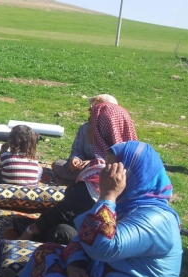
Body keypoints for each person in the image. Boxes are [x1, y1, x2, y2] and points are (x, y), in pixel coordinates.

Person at [8, 142, 182, 277]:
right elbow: (82, 239)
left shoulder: (157, 219)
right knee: (48, 250)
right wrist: (75, 264)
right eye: (105, 168)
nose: (104, 175)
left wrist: (108, 196)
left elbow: (102, 247)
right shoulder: (126, 204)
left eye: (112, 169)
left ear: (132, 173)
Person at [18, 102, 137, 244]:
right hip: (121, 236)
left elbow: (65, 211)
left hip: (106, 240)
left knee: (60, 232)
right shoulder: (134, 162)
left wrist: (29, 231)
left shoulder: (105, 174)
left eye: (91, 124)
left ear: (100, 132)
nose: (88, 128)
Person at [52, 94, 119, 183]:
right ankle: (84, 180)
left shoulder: (114, 132)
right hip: (82, 166)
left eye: (94, 109)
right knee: (58, 165)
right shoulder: (85, 128)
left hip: (102, 169)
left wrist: (92, 163)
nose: (89, 110)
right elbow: (77, 150)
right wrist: (75, 159)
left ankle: (87, 181)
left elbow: (114, 159)